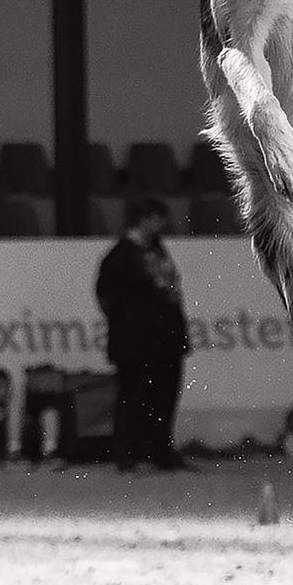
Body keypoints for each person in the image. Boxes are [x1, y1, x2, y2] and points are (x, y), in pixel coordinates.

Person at [95, 198, 193, 472]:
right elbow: (106, 297)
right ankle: (128, 455)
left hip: (167, 340)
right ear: (145, 219)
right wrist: (131, 326)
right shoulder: (119, 256)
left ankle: (160, 451)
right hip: (136, 344)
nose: (163, 225)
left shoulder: (158, 249)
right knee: (134, 398)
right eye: (159, 218)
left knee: (165, 397)